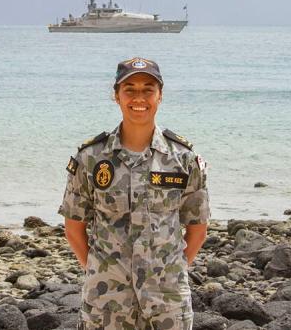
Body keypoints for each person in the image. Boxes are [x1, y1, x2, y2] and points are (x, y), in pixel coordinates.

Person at [59, 57, 210, 330]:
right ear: (116, 96)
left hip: (168, 302)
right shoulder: (91, 157)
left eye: (148, 89)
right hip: (106, 301)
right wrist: (100, 270)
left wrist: (170, 272)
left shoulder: (183, 159)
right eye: (129, 89)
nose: (138, 97)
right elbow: (73, 227)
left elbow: (197, 229)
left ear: (160, 96)